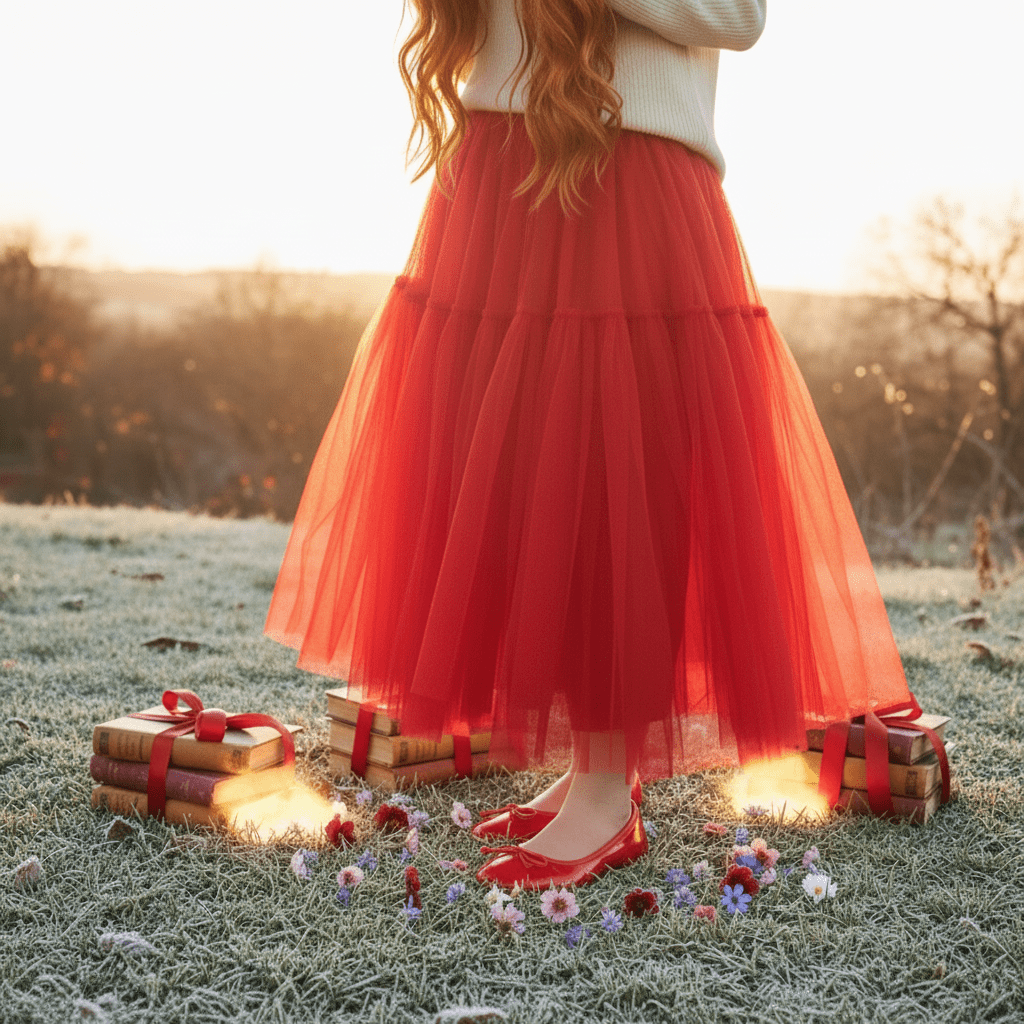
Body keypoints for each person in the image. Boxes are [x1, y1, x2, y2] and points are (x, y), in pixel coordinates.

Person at [265, 0, 917, 890]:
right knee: (533, 470)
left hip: (625, 176)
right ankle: (591, 773)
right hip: (500, 169)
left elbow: (738, 14)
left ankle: (607, 795)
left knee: (617, 476)